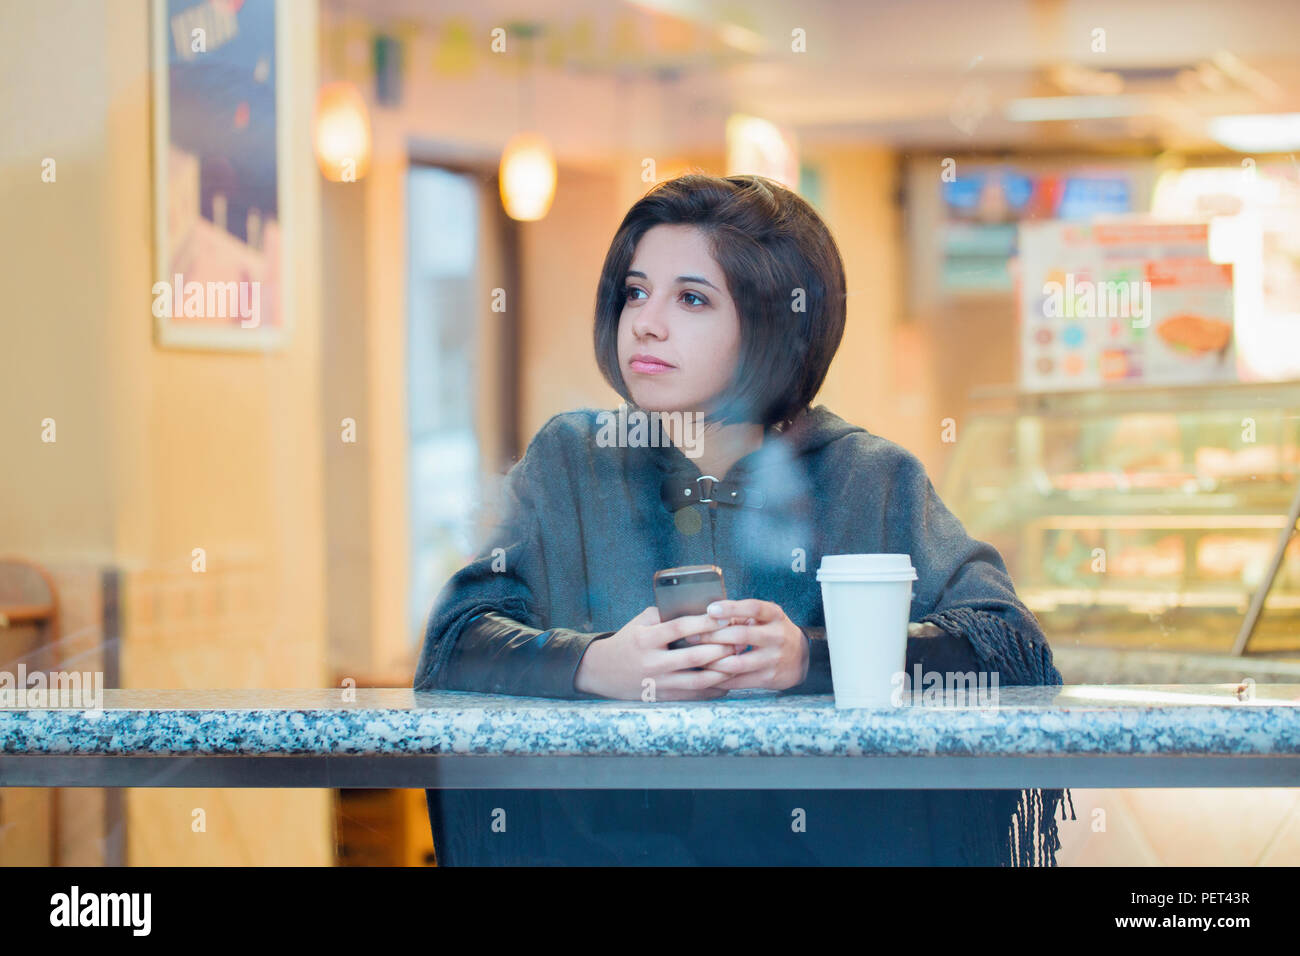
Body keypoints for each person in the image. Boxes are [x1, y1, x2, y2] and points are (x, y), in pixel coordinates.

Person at [414, 172, 1073, 865]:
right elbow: (455, 644)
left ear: (772, 324)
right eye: (636, 291)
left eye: (692, 298)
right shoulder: (572, 460)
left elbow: (1012, 653)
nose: (645, 321)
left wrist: (809, 660)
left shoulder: (868, 476)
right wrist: (596, 664)